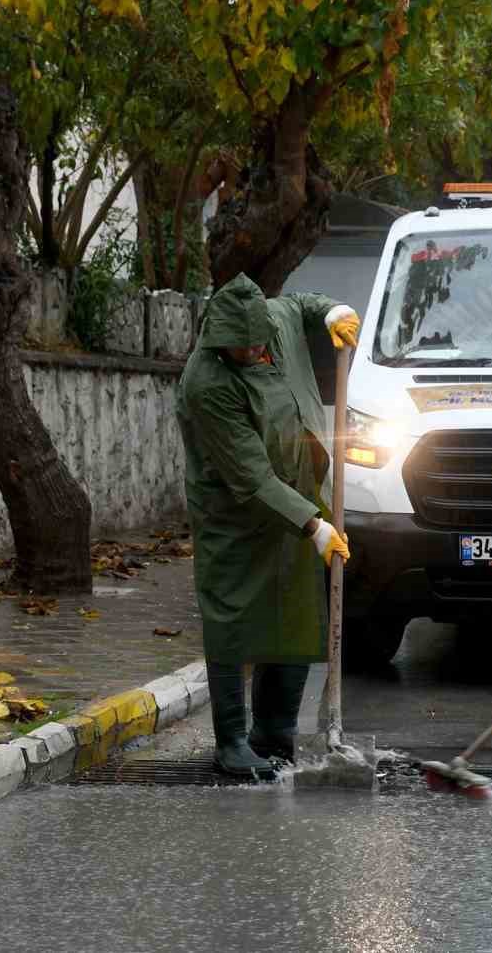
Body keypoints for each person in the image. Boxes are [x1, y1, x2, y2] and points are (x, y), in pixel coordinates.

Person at [177, 273, 359, 778]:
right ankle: (232, 742)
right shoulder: (206, 382)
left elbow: (300, 302)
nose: (254, 352)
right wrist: (314, 526)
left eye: (259, 343)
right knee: (232, 615)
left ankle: (275, 735)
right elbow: (250, 476)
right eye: (242, 348)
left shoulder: (273, 322)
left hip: (299, 495)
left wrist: (331, 311)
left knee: (293, 609)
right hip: (235, 511)